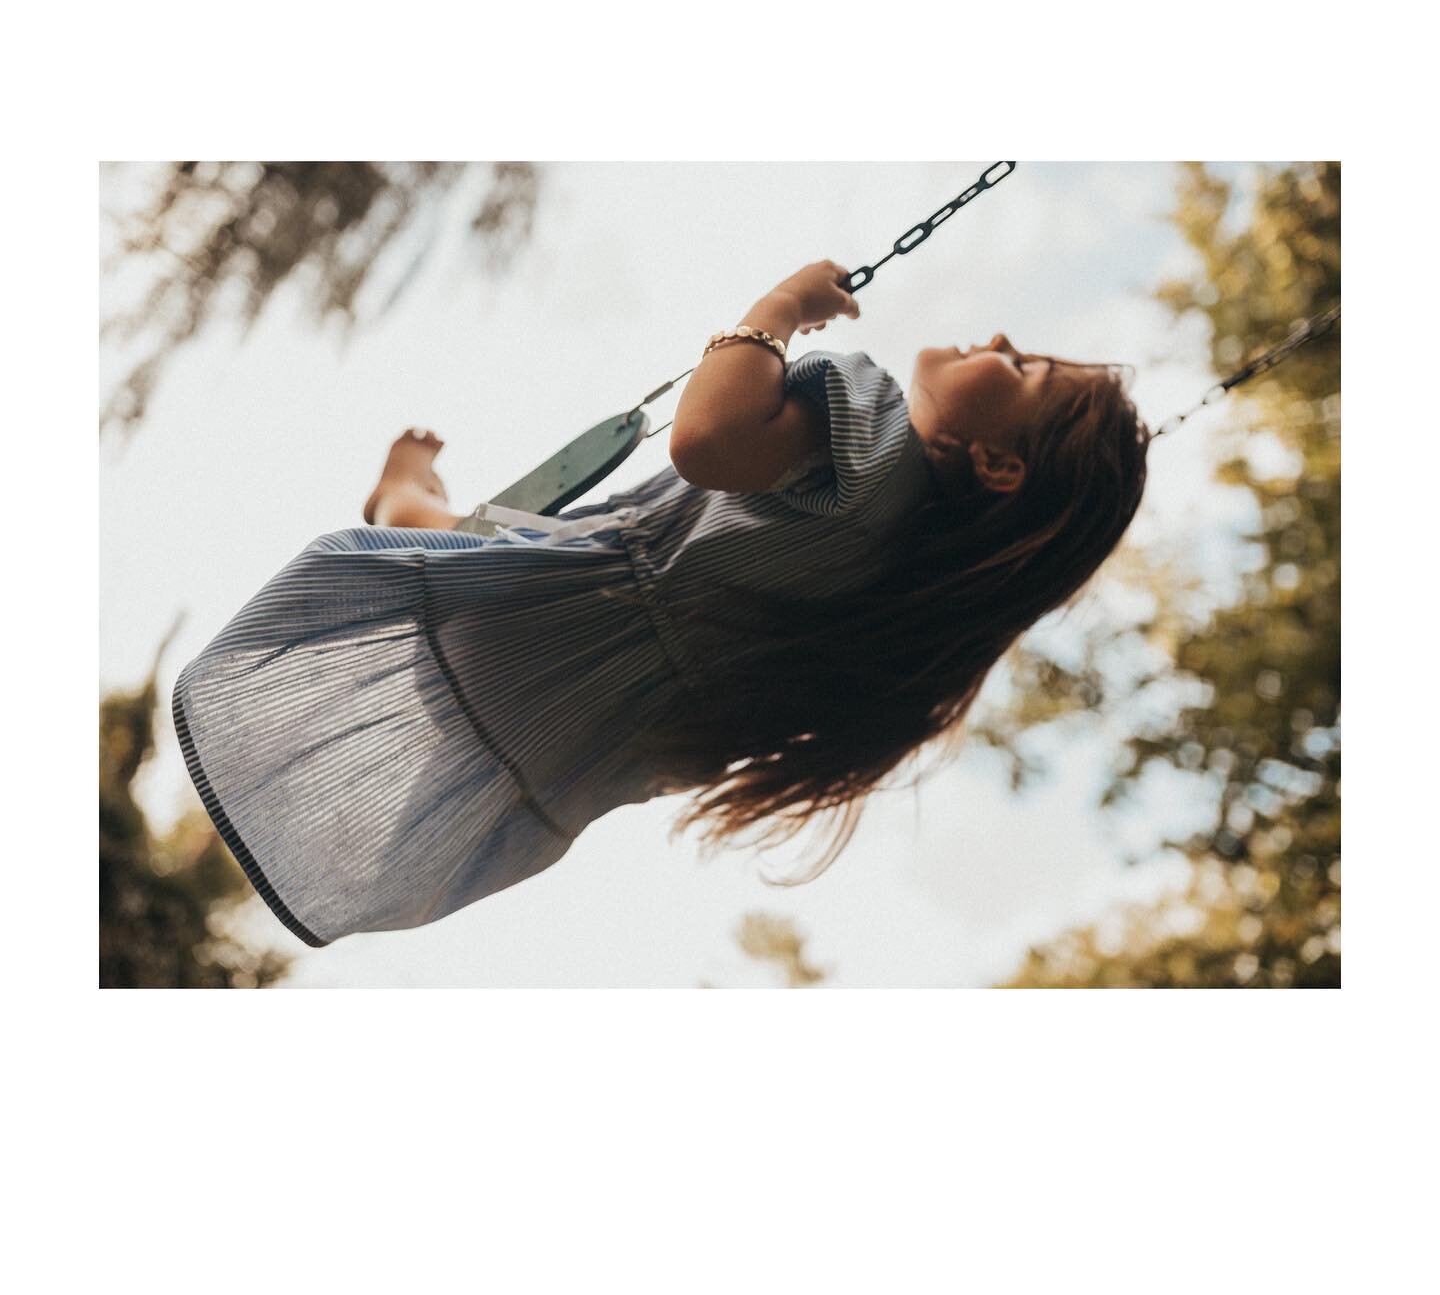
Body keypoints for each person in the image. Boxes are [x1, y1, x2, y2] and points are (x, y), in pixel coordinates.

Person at [172, 262, 1150, 948]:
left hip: (540, 609)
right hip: (561, 739)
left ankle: (400, 502)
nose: (1010, 340)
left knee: (448, 538)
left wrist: (775, 312)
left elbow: (710, 439)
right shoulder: (903, 596)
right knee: (463, 536)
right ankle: (408, 508)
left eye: (1022, 370)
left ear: (998, 463)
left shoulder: (874, 430)